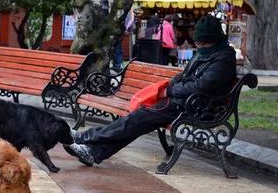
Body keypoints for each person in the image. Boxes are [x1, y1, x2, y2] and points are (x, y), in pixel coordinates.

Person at [64, 15, 237, 166]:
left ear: (213, 39)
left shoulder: (223, 59)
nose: (198, 45)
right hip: (185, 101)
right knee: (139, 119)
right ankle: (93, 152)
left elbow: (201, 86)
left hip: (199, 107)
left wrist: (169, 92)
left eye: (202, 42)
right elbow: (185, 75)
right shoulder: (206, 52)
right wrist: (171, 84)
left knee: (139, 118)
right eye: (196, 41)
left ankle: (85, 137)